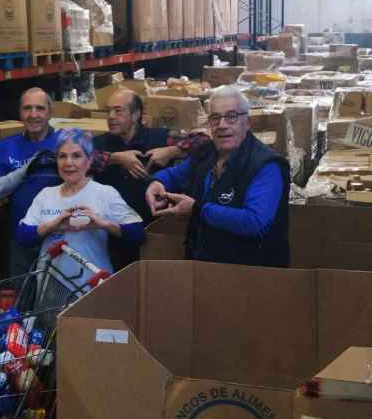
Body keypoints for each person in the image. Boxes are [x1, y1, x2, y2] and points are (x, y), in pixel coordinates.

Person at [145, 85, 290, 267]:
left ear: (248, 122)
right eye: (215, 118)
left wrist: (198, 210)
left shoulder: (266, 165)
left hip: (253, 274)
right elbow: (174, 175)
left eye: (231, 117)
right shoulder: (206, 153)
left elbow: (254, 222)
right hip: (203, 266)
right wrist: (156, 182)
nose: (222, 125)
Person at [16, 129, 143, 295]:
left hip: (93, 287)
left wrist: (102, 223)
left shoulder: (105, 193)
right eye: (62, 156)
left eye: (76, 156)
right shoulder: (46, 194)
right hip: (49, 289)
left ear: (89, 161)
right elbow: (22, 236)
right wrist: (52, 225)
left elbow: (137, 233)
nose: (68, 163)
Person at [92, 89, 209, 269]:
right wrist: (117, 158)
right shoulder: (99, 144)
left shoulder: (160, 137)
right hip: (111, 234)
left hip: (153, 232)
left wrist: (172, 151)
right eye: (108, 111)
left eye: (118, 110)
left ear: (136, 114)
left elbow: (204, 140)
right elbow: (74, 160)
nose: (111, 116)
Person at [0, 88, 64, 276]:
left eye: (40, 108)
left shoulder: (66, 142)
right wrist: (25, 171)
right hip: (21, 236)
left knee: (56, 296)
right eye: (27, 108)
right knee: (21, 294)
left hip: (59, 237)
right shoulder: (6, 146)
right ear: (20, 112)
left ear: (50, 112)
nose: (33, 115)